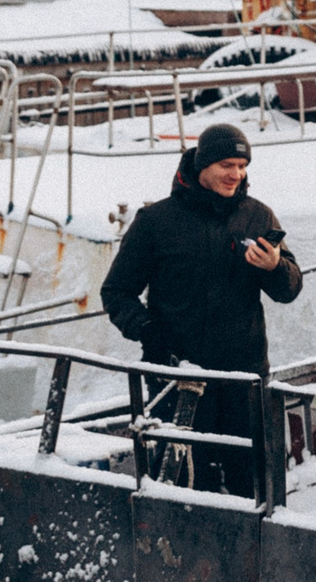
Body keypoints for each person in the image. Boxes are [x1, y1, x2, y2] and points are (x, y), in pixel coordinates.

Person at [102, 122, 304, 493]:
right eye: (227, 164)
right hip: (176, 374)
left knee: (253, 483)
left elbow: (290, 289)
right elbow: (116, 293)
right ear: (202, 165)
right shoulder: (156, 222)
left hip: (243, 376)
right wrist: (148, 331)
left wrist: (275, 267)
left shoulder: (257, 216)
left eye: (242, 166)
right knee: (183, 481)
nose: (236, 174)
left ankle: (252, 549)